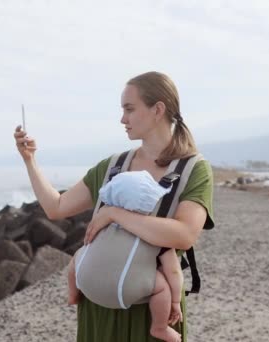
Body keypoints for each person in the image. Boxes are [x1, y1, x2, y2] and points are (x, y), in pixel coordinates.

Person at [13, 71, 215, 342]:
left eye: (129, 109)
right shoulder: (112, 167)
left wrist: (114, 213)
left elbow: (184, 235)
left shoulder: (194, 170)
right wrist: (29, 161)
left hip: (152, 314)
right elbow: (56, 207)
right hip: (98, 309)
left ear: (157, 110)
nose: (122, 119)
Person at [66, 170, 184, 342]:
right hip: (124, 291)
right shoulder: (155, 233)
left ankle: (72, 294)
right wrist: (175, 302)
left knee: (77, 256)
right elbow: (173, 272)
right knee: (162, 287)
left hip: (87, 286)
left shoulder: (100, 223)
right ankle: (159, 328)